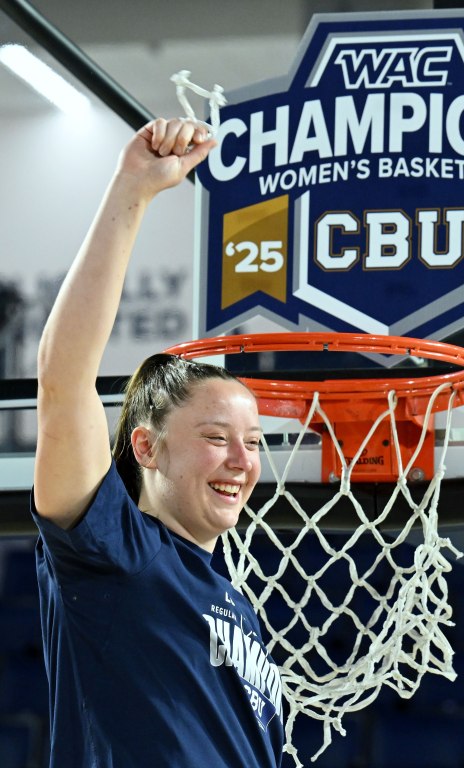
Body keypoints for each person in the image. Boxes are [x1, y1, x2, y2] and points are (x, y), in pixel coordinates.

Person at [31, 118, 284, 768]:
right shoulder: (113, 552)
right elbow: (64, 382)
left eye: (253, 441)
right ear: (146, 448)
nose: (242, 461)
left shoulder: (233, 603)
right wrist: (132, 191)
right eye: (216, 437)